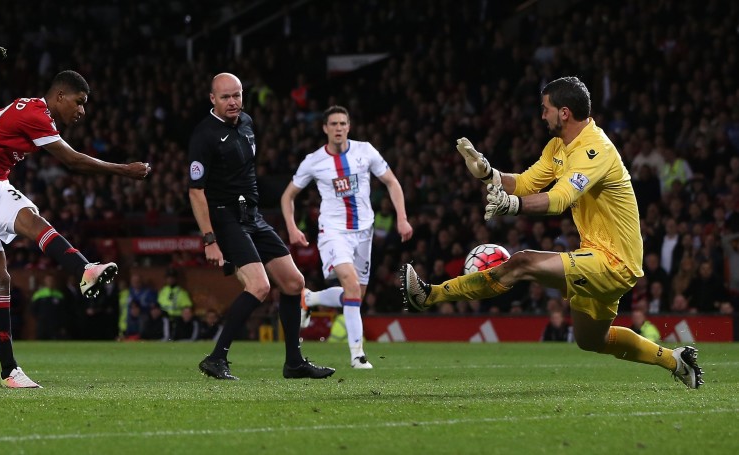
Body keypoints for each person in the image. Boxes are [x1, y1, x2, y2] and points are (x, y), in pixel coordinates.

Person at [401, 76, 703, 389]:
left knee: (522, 262)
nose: (541, 115)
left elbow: (560, 199)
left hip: (615, 261)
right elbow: (525, 183)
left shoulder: (595, 150)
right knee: (592, 341)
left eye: (545, 109)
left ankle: (430, 295)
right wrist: (489, 173)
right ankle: (674, 360)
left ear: (564, 113)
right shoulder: (558, 146)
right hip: (595, 256)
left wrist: (513, 206)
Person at [0, 70, 151, 388]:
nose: (82, 111)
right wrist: (124, 170)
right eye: (79, 103)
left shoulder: (37, 113)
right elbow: (72, 161)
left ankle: (86, 269)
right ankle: (9, 371)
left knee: (34, 221)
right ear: (60, 97)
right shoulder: (37, 114)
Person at [188, 72, 333, 380]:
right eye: (225, 97)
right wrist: (210, 239)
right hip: (226, 218)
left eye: (237, 95)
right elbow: (196, 190)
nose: (233, 102)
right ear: (212, 99)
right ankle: (216, 358)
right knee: (260, 286)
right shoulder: (204, 135)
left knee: (294, 283)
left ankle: (294, 363)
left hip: (253, 216)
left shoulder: (247, 123)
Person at [281, 105, 413, 369]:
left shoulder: (365, 151)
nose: (338, 128)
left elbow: (392, 182)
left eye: (343, 124)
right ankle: (357, 355)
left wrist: (401, 217)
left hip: (364, 232)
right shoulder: (314, 161)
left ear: (348, 127)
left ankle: (310, 298)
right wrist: (292, 228)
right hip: (333, 232)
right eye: (333, 124)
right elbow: (288, 196)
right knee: (351, 287)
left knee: (355, 296)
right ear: (325, 129)